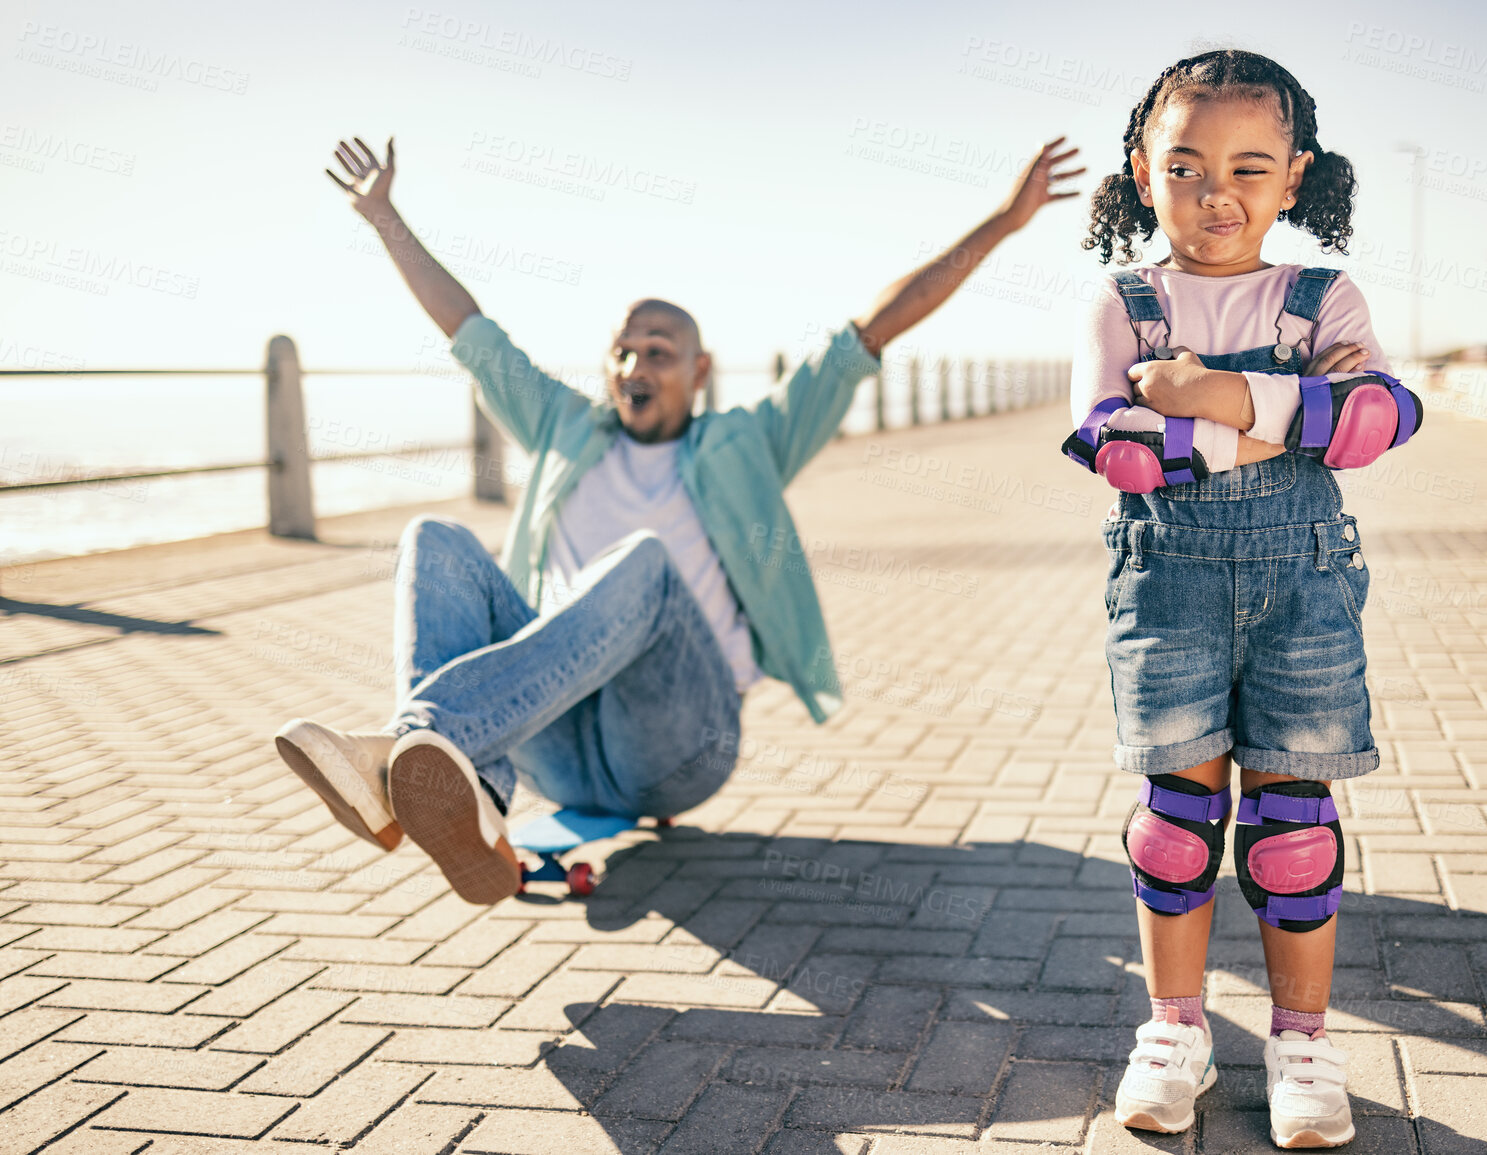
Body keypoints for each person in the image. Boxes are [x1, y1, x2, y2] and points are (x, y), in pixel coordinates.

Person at [273, 133, 1083, 907]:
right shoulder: (564, 428)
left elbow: (873, 328)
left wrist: (1008, 222)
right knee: (436, 539)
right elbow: (468, 330)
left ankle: (404, 754)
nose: (634, 365)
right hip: (551, 741)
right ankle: (470, 789)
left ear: (698, 371)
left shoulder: (751, 441)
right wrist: (384, 217)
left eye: (657, 350)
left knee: (645, 561)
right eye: (622, 351)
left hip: (677, 744)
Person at [1062, 51, 1422, 1149]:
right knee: (1176, 827)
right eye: (1185, 167)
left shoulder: (1324, 294)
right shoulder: (1122, 303)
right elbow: (1118, 452)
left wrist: (1198, 393)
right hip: (1166, 585)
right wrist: (1292, 404)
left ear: (1294, 179)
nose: (1216, 195)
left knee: (1291, 834)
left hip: (1303, 588)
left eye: (1249, 170)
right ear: (1140, 171)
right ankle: (1174, 1031)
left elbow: (1381, 425)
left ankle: (1302, 1043)